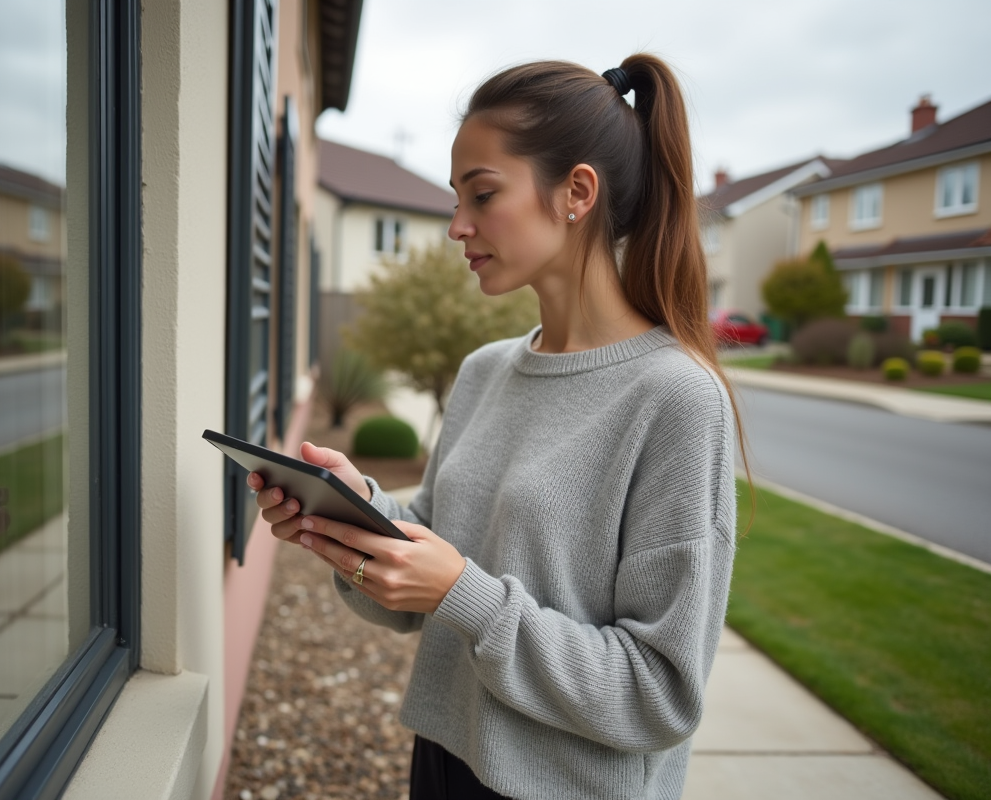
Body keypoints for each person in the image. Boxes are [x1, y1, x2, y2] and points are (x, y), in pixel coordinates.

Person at [249, 55, 744, 800]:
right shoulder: (485, 370)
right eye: (457, 198)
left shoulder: (674, 398)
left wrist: (465, 596)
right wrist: (350, 517)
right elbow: (438, 559)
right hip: (447, 757)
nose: (457, 226)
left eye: (482, 195)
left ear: (577, 192)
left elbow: (658, 693)